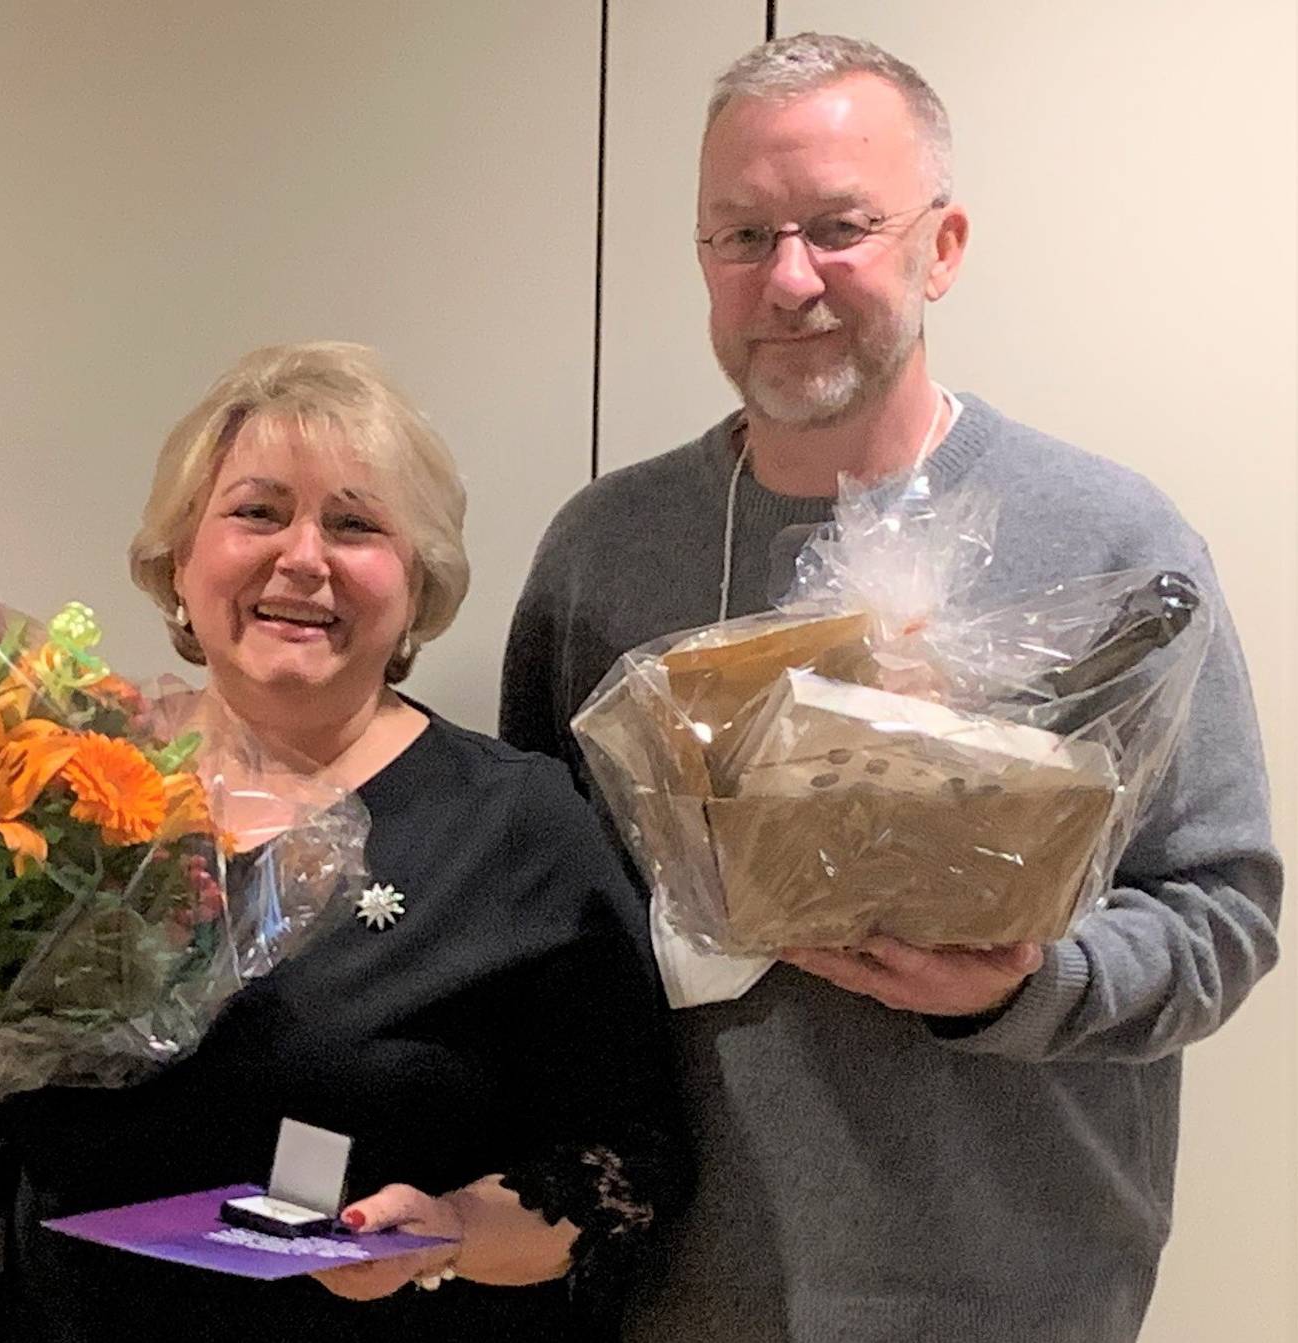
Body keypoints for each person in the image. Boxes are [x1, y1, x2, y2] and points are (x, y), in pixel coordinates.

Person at [500, 32, 1281, 1342]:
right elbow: (538, 911)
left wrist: (1023, 982)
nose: (788, 277)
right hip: (682, 1292)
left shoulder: (1109, 541)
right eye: (742, 235)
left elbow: (1224, 912)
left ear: (943, 244)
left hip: (1015, 1294)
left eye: (840, 226)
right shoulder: (605, 552)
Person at [0, 341, 685, 1340]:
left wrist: (452, 1229)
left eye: (355, 524)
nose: (303, 557)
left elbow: (629, 1163)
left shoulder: (516, 826)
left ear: (418, 583)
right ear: (179, 561)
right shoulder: (56, 793)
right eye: (258, 512)